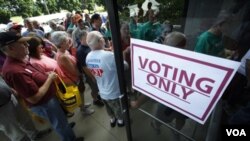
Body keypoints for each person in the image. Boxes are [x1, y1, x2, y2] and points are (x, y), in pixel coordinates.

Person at [0, 31, 83, 141]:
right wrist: (49, 79)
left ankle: (66, 130)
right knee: (59, 124)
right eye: (23, 44)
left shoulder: (20, 61)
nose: (27, 45)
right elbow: (34, 98)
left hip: (49, 99)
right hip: (45, 103)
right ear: (11, 48)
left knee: (60, 121)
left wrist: (44, 75)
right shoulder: (14, 71)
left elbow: (32, 76)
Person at [86, 31, 125, 127]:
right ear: (100, 41)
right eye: (102, 37)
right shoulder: (108, 56)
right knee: (118, 108)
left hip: (102, 90)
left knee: (108, 108)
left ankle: (112, 120)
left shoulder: (88, 56)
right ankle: (120, 121)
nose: (104, 39)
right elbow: (125, 66)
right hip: (114, 91)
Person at [51, 31, 95, 115]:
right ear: (61, 43)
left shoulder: (63, 51)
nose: (68, 41)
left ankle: (83, 105)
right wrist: (81, 74)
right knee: (79, 93)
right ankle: (83, 110)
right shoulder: (63, 56)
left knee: (81, 93)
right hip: (73, 79)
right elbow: (74, 71)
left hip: (73, 78)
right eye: (66, 41)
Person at [0, 75, 52, 141]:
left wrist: (10, 88)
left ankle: (35, 135)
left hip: (10, 98)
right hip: (1, 110)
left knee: (25, 119)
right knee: (13, 130)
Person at [76, 30, 104, 107]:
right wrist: (92, 77)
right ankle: (95, 99)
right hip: (90, 74)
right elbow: (84, 67)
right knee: (94, 88)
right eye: (87, 37)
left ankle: (97, 95)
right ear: (81, 39)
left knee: (97, 87)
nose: (89, 38)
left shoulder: (88, 45)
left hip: (96, 70)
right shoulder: (80, 51)